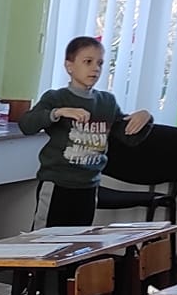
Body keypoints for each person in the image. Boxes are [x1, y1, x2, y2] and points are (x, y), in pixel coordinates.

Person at [18, 36, 152, 227]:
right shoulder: (56, 97)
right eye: (88, 62)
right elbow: (26, 125)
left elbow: (129, 137)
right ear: (69, 66)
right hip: (57, 184)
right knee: (44, 239)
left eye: (100, 63)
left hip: (88, 186)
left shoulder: (107, 102)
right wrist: (58, 112)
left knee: (79, 239)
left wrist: (145, 118)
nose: (95, 68)